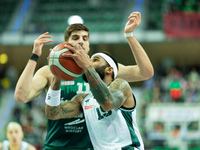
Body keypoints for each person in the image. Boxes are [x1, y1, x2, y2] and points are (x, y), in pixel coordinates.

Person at [14, 12, 153, 149]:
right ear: (66, 44)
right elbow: (22, 95)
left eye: (85, 38)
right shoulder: (50, 71)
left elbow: (145, 72)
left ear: (89, 45)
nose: (81, 41)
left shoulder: (102, 68)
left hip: (92, 146)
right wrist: (34, 56)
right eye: (75, 37)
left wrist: (129, 35)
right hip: (58, 145)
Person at [45, 51, 144, 150]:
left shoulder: (121, 85)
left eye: (95, 60)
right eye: (89, 60)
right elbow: (52, 113)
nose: (89, 62)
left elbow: (108, 103)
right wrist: (57, 78)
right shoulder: (83, 99)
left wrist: (86, 65)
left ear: (109, 70)